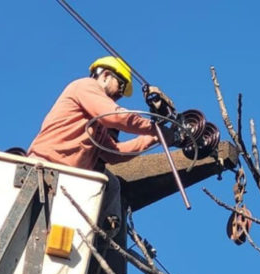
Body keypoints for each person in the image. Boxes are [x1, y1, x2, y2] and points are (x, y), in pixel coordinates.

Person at [27, 56, 173, 235]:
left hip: (67, 178)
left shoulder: (96, 125)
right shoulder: (85, 86)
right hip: (44, 166)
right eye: (120, 86)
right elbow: (116, 116)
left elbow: (114, 153)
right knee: (107, 181)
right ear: (105, 75)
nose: (119, 95)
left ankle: (104, 235)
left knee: (110, 183)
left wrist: (156, 137)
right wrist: (153, 128)